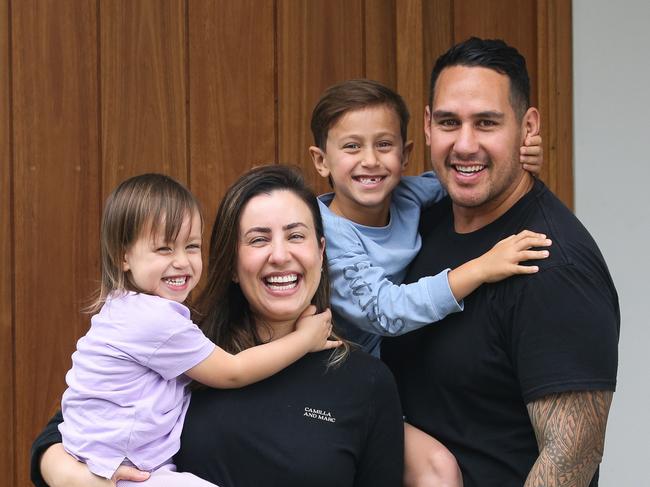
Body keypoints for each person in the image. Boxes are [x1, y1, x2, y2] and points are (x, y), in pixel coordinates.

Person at [31, 165, 405, 487]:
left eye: (296, 236)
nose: (280, 255)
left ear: (321, 252)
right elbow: (72, 427)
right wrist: (70, 475)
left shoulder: (366, 382)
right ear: (230, 264)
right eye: (259, 239)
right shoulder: (188, 344)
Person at [381, 37, 620, 487]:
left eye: (487, 123)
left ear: (528, 127)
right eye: (450, 122)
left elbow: (570, 460)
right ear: (428, 126)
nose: (465, 144)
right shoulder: (419, 221)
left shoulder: (553, 267)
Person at [309, 78, 550, 487]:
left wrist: (519, 156)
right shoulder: (327, 232)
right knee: (438, 469)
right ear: (321, 161)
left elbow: (467, 174)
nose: (370, 160)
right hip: (329, 383)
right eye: (351, 147)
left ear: (404, 155)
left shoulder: (407, 196)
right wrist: (479, 269)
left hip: (387, 383)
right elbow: (383, 312)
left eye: (384, 146)